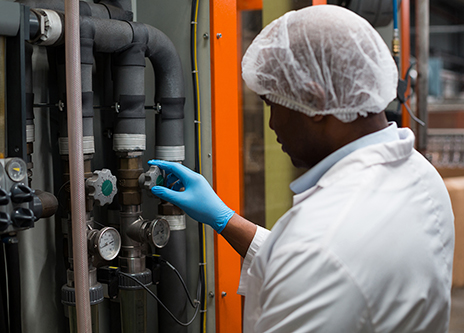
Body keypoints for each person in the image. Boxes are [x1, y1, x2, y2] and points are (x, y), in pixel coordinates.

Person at [149, 5, 454, 332]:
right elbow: (325, 262)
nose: (271, 123)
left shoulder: (321, 245)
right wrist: (224, 219)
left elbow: (318, 257)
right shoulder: (421, 176)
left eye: (272, 104)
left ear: (315, 100)